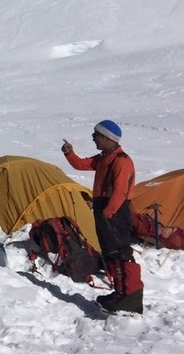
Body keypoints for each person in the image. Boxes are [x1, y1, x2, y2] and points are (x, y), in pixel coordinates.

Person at [62, 120, 144, 315]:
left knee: (121, 253)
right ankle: (121, 293)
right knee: (111, 253)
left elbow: (120, 191)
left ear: (108, 138)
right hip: (105, 210)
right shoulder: (104, 158)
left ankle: (131, 297)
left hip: (114, 211)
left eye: (96, 135)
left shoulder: (121, 161)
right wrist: (69, 153)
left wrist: (108, 212)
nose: (93, 138)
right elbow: (82, 164)